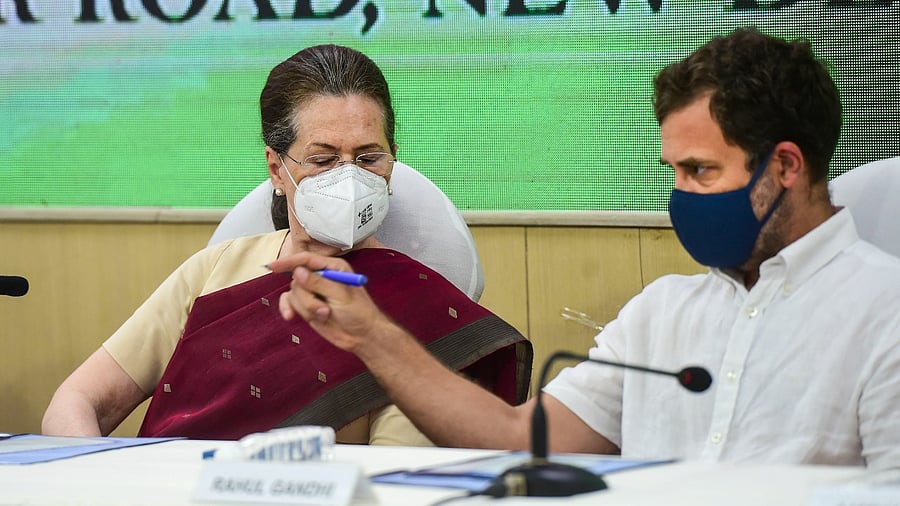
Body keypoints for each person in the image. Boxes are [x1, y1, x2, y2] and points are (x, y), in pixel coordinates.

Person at [269, 27, 900, 470]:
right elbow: (522, 440)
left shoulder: (883, 316)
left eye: (701, 172)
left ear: (785, 166)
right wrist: (372, 337)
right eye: (671, 172)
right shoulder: (664, 313)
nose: (679, 198)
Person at [41, 44, 532, 443]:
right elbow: (79, 401)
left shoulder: (427, 311)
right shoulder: (214, 269)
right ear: (278, 169)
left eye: (368, 158)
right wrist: (93, 480)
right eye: (322, 159)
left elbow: (396, 480)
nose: (349, 177)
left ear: (392, 162)